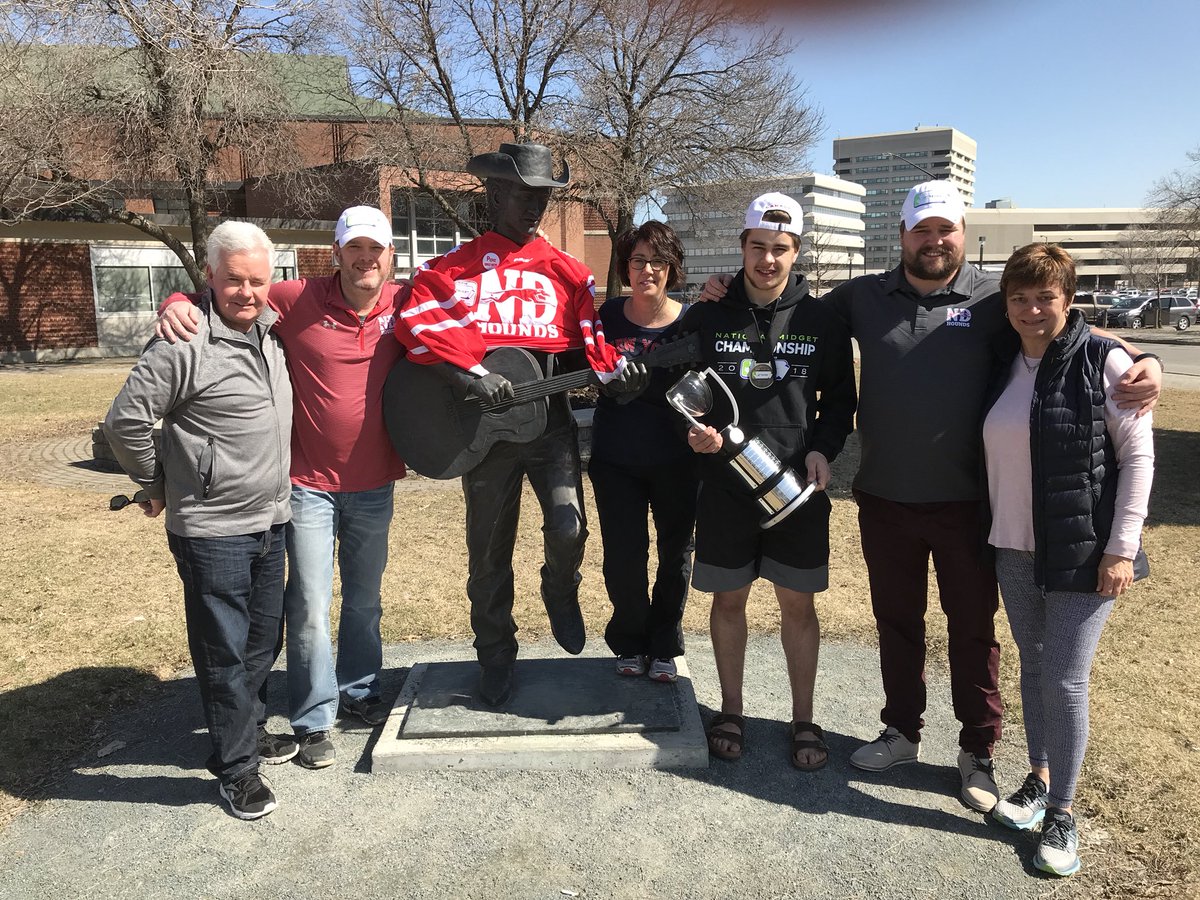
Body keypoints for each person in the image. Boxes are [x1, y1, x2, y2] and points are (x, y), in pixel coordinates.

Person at [700, 180, 1162, 810]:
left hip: (970, 502)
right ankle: (902, 730)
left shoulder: (995, 298)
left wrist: (1146, 357)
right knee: (897, 623)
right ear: (902, 236)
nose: (934, 241)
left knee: (972, 627)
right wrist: (720, 290)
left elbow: (1067, 330)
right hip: (885, 497)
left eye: (945, 229)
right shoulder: (861, 297)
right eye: (922, 230)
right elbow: (784, 305)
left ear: (962, 233)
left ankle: (977, 751)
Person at [156, 206, 408, 769]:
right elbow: (231, 295)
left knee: (364, 601)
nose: (365, 260)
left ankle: (361, 690)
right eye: (355, 249)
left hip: (376, 484)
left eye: (376, 251)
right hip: (307, 486)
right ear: (337, 252)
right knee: (311, 603)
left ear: (389, 256)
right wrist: (176, 303)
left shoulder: (406, 304)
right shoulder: (296, 299)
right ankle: (314, 716)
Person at [395, 142, 645, 707]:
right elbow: (415, 321)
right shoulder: (450, 270)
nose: (532, 206)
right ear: (494, 193)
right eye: (521, 194)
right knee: (487, 554)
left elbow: (588, 354)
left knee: (568, 526)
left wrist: (616, 374)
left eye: (541, 197)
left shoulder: (567, 273)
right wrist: (467, 374)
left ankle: (561, 587)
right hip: (481, 431)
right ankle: (495, 655)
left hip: (551, 424)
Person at [104, 221, 293, 819]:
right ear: (209, 276)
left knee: (265, 640)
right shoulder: (180, 344)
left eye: (257, 280)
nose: (247, 292)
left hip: (271, 519)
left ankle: (248, 732)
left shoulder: (272, 333)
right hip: (213, 530)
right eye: (234, 279)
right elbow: (125, 423)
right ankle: (236, 770)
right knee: (225, 653)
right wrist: (154, 482)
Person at [983, 243, 1153, 877]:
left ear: (1068, 298)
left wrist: (1122, 548)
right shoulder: (1002, 359)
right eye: (1020, 297)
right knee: (1033, 667)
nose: (1031, 309)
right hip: (1013, 545)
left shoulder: (1103, 361)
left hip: (1085, 551)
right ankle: (1037, 778)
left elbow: (1138, 460)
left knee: (1065, 678)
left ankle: (1063, 812)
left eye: (1045, 297)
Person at [680, 193, 856, 769]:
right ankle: (731, 709)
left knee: (798, 608)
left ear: (796, 251)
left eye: (780, 250)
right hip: (726, 488)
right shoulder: (707, 315)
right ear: (742, 248)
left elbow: (839, 401)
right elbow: (685, 392)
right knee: (729, 603)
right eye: (758, 248)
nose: (768, 260)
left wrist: (825, 450)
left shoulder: (821, 319)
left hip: (796, 490)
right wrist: (699, 432)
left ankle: (803, 719)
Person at [590, 221, 698, 683]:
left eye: (657, 261)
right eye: (638, 260)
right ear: (625, 267)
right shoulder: (607, 316)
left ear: (671, 268)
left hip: (677, 459)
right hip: (616, 460)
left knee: (676, 554)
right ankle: (629, 642)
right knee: (623, 554)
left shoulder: (693, 320)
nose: (647, 269)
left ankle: (664, 645)